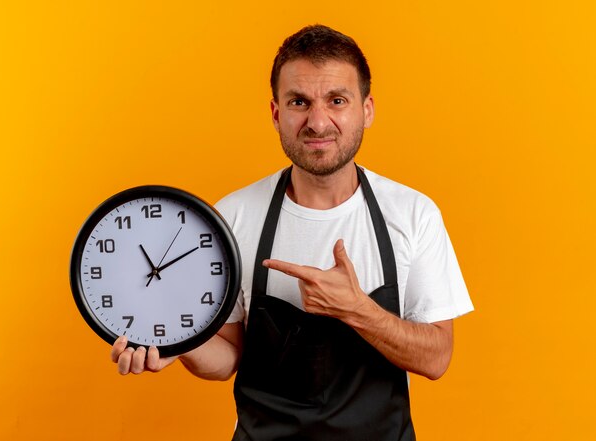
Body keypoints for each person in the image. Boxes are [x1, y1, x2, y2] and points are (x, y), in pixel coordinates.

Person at [111, 24, 474, 440]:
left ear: (367, 109)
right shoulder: (233, 217)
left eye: (337, 100)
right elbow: (227, 356)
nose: (318, 122)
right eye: (299, 101)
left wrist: (357, 309)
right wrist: (177, 342)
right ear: (276, 113)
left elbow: (437, 358)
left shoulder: (413, 214)